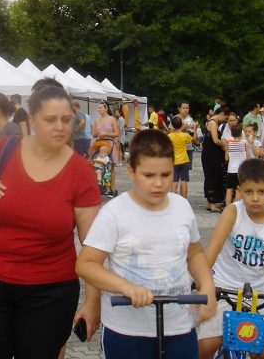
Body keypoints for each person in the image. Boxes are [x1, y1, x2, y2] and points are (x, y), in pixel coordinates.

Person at [0, 85, 102, 359]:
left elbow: (92, 246)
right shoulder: (6, 150)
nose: (60, 127)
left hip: (50, 294)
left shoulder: (81, 172)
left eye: (66, 119)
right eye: (50, 119)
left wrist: (92, 302)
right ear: (32, 120)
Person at [76, 129, 216, 359]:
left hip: (179, 326)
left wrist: (207, 285)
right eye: (148, 175)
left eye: (166, 174)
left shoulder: (182, 207)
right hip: (127, 330)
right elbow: (86, 264)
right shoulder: (114, 212)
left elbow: (194, 253)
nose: (158, 183)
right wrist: (125, 287)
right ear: (131, 172)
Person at [198, 159, 264, 359]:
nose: (255, 198)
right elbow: (214, 247)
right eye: (249, 192)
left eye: (261, 192)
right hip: (224, 285)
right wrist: (202, 282)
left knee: (261, 353)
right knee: (207, 345)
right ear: (239, 191)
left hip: (259, 291)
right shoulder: (233, 212)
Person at [201, 108, 228, 212]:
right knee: (212, 178)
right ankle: (212, 204)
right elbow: (216, 140)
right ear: (222, 114)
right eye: (225, 118)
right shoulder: (212, 123)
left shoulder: (214, 123)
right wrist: (225, 144)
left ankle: (209, 203)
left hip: (211, 154)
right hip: (210, 155)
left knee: (210, 177)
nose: (224, 120)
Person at [168, 115, 194, 199]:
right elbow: (194, 139)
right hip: (184, 160)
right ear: (182, 124)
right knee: (184, 181)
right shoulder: (185, 135)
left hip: (174, 161)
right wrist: (195, 128)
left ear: (172, 125)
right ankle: (184, 200)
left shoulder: (169, 136)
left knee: (174, 181)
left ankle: (173, 200)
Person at [223, 123, 249, 207]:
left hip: (231, 170)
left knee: (229, 189)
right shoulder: (244, 144)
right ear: (241, 133)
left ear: (231, 133)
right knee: (238, 189)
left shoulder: (229, 144)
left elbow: (226, 158)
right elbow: (248, 157)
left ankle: (227, 206)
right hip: (241, 170)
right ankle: (236, 207)